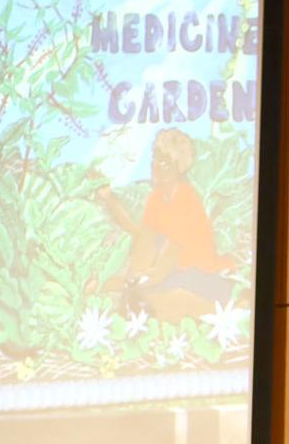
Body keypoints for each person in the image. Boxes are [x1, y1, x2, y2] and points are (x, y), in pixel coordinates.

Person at [93, 128, 238, 325]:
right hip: (169, 273)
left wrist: (117, 283)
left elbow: (167, 258)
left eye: (164, 163)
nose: (155, 167)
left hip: (196, 275)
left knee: (159, 301)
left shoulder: (186, 199)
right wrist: (109, 198)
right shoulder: (156, 198)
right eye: (154, 160)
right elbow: (141, 235)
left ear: (178, 168)